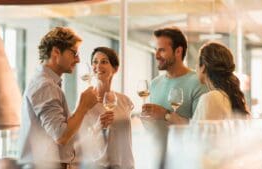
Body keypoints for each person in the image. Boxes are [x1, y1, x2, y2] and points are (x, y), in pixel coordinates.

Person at [18, 27, 97, 169]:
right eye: (74, 53)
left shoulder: (47, 83)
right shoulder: (45, 85)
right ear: (56, 52)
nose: (78, 59)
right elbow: (61, 136)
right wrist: (83, 106)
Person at [141, 27, 207, 168]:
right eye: (156, 50)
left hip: (186, 161)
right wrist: (147, 121)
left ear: (178, 51)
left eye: (162, 50)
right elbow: (156, 127)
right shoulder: (154, 84)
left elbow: (200, 129)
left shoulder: (198, 82)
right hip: (157, 159)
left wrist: (165, 115)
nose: (157, 55)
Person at [78, 47, 134, 169]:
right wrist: (98, 126)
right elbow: (78, 143)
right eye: (95, 62)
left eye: (104, 62)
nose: (98, 66)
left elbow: (126, 137)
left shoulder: (125, 101)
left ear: (115, 69)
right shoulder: (85, 101)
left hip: (125, 165)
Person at [193, 41, 250, 120]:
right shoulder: (231, 96)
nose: (195, 67)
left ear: (203, 67)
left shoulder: (210, 98)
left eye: (197, 63)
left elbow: (199, 131)